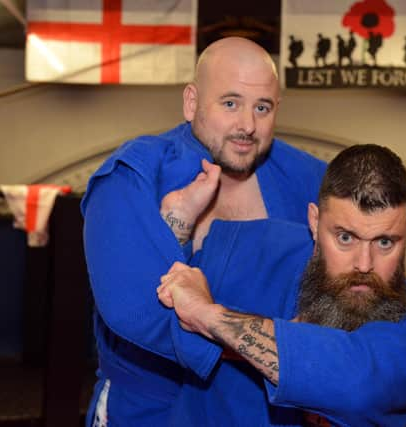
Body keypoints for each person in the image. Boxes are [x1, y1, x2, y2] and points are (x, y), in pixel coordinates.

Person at [81, 37, 326, 426]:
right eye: (230, 103)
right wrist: (285, 349)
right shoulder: (135, 175)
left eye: (262, 108)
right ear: (192, 101)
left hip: (266, 412)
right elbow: (136, 309)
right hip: (150, 410)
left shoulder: (309, 179)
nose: (247, 125)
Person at [157, 144, 406, 426]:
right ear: (314, 221)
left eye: (385, 242)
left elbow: (357, 384)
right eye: (345, 238)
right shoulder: (254, 249)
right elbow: (163, 287)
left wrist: (209, 317)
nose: (364, 264)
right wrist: (177, 221)